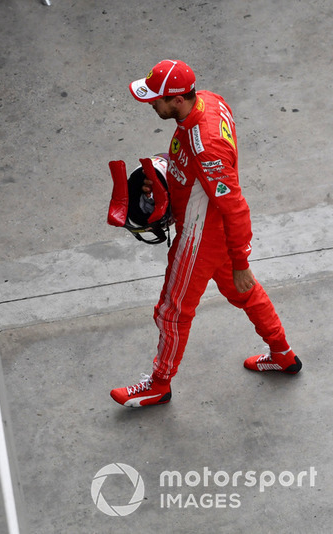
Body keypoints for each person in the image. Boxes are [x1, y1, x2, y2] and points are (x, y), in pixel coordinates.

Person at [110, 59, 301, 408]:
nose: (151, 103)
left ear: (178, 100)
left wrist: (241, 260)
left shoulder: (206, 146)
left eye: (157, 99)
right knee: (245, 293)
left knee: (172, 311)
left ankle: (159, 384)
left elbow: (234, 206)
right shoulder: (208, 101)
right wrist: (167, 178)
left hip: (199, 239)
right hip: (213, 232)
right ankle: (283, 354)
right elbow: (195, 166)